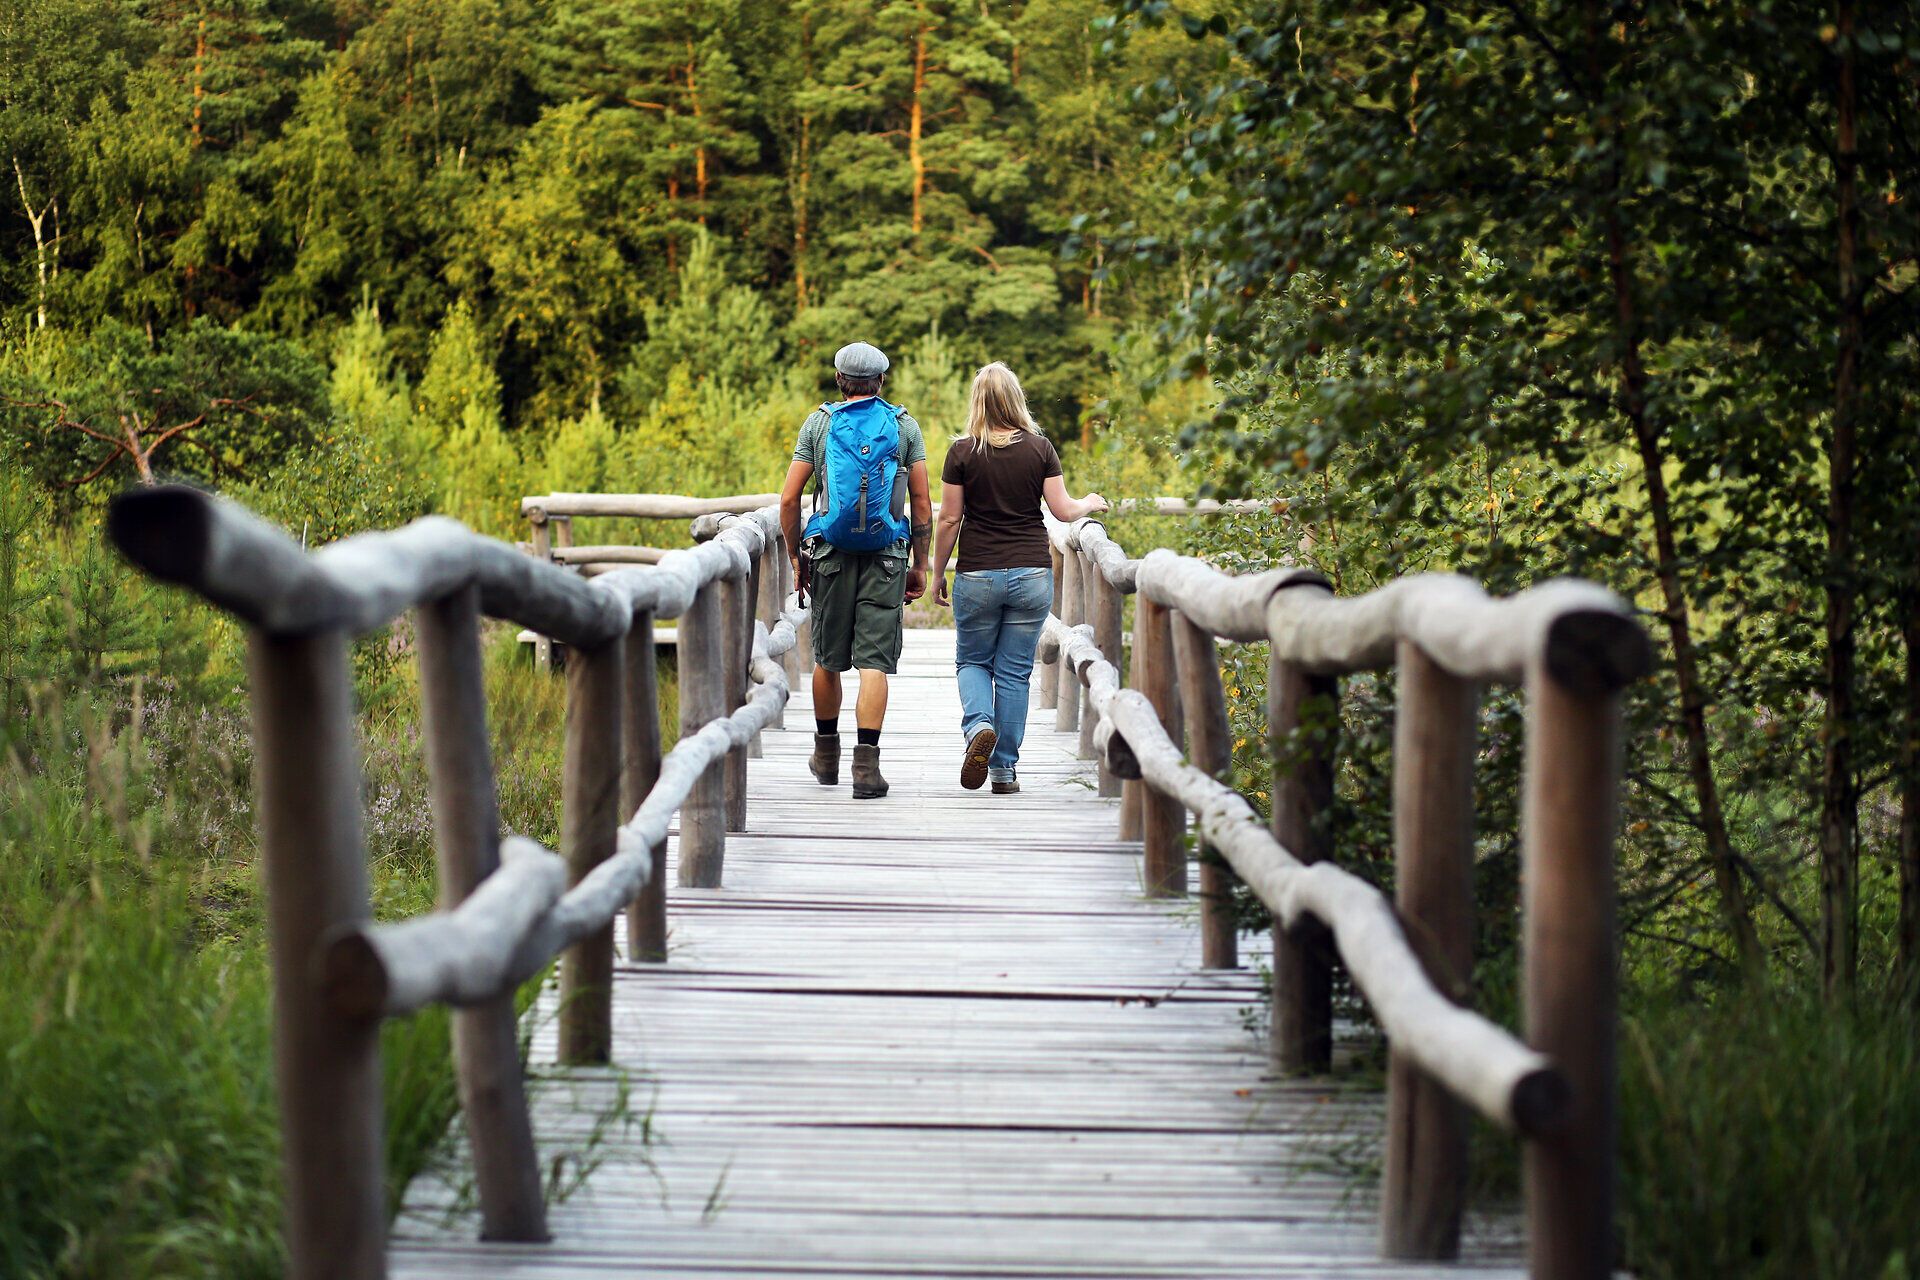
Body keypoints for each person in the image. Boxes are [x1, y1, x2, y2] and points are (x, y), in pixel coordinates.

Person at [932, 363, 1107, 793]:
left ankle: (979, 728)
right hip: (1031, 574)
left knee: (973, 661)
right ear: (1016, 399)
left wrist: (936, 572)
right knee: (1013, 673)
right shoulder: (1040, 448)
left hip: (978, 573)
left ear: (978, 402)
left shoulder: (961, 452)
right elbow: (1063, 510)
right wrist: (1089, 502)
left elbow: (950, 518)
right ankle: (1003, 771)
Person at [779, 341, 932, 800]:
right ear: (881, 381)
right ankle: (866, 769)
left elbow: (789, 499)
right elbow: (922, 502)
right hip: (887, 555)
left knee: (827, 659)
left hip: (830, 553)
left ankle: (826, 758)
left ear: (839, 379)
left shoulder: (819, 424)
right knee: (873, 663)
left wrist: (796, 557)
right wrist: (920, 564)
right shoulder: (904, 426)